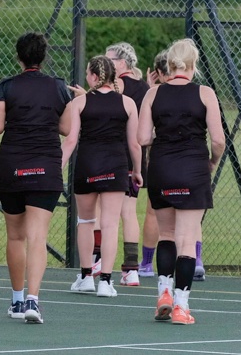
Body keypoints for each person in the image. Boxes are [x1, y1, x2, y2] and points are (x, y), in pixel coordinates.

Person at [138, 38, 224, 325]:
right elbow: (219, 140)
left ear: (170, 64)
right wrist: (212, 161)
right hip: (193, 169)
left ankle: (163, 293)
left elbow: (142, 138)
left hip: (161, 168)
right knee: (186, 241)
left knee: (166, 235)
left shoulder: (153, 94)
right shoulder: (205, 93)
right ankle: (181, 306)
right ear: (193, 64)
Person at [0, 32, 73, 324]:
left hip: (12, 166)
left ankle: (15, 300)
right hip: (45, 167)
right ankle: (32, 302)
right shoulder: (59, 87)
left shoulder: (6, 87)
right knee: (38, 236)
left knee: (15, 235)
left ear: (19, 57)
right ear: (44, 56)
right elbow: (66, 128)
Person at [61, 56, 141, 298]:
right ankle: (105, 281)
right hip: (115, 167)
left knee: (85, 221)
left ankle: (86, 276)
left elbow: (71, 140)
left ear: (94, 77)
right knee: (109, 224)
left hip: (87, 166)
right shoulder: (127, 103)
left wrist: (59, 164)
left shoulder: (80, 102)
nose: (86, 77)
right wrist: (137, 171)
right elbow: (134, 144)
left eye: (88, 73)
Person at [107, 42, 148, 286]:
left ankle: (97, 265)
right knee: (129, 213)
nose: (105, 64)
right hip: (136, 158)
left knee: (105, 213)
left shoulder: (116, 85)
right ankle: (131, 268)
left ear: (122, 63)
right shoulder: (145, 87)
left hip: (114, 155)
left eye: (109, 60)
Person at [137, 51, 169, 277]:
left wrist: (149, 88)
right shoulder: (196, 92)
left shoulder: (154, 95)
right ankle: (195, 259)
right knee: (190, 212)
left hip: (160, 152)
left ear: (158, 72)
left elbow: (144, 134)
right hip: (189, 156)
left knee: (153, 211)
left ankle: (147, 264)